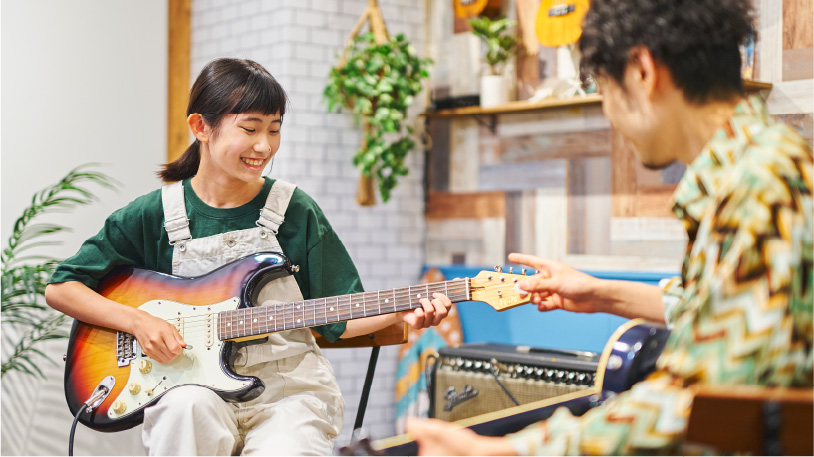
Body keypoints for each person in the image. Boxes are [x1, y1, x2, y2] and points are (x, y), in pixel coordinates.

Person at [405, 0, 813, 454]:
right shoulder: (757, 168)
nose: (609, 116)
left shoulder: (759, 183)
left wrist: (505, 451)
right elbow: (714, 313)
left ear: (641, 71)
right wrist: (597, 293)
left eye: (603, 89)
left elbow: (703, 401)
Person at [45, 57, 453, 456]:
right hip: (190, 385)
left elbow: (339, 319)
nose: (265, 145)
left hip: (288, 394)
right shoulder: (154, 213)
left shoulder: (294, 209)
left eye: (274, 129)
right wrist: (138, 321)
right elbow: (63, 288)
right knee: (183, 411)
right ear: (200, 126)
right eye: (250, 128)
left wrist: (407, 308)